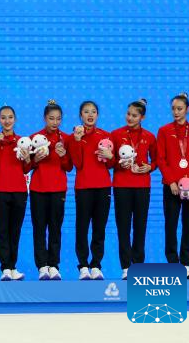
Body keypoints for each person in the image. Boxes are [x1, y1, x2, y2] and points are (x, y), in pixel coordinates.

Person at [157, 92, 189, 280]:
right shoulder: (164, 131)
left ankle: (186, 265)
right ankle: (172, 264)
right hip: (172, 187)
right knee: (170, 225)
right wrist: (170, 181)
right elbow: (161, 159)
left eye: (179, 109)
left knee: (188, 225)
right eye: (173, 109)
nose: (176, 112)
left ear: (187, 109)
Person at [67, 100, 114, 280]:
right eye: (86, 112)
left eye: (93, 111)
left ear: (97, 115)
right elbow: (77, 164)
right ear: (81, 115)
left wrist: (110, 156)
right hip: (83, 188)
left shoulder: (106, 136)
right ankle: (83, 266)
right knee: (82, 227)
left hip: (103, 188)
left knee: (99, 228)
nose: (90, 115)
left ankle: (96, 265)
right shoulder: (74, 137)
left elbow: (111, 164)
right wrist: (77, 141)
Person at [110, 98, 157, 280]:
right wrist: (118, 163)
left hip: (142, 187)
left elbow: (157, 160)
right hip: (121, 186)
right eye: (128, 114)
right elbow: (110, 162)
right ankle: (125, 267)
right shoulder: (116, 134)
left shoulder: (149, 137)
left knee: (140, 226)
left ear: (142, 117)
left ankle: (138, 265)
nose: (130, 118)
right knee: (123, 227)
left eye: (134, 115)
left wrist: (150, 167)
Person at [28, 100, 73, 281]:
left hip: (58, 189)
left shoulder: (66, 139)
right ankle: (42, 266)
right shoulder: (34, 138)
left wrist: (63, 156)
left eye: (58, 119)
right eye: (51, 118)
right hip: (38, 188)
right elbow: (27, 166)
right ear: (44, 118)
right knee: (39, 228)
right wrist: (36, 160)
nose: (55, 122)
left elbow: (69, 167)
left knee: (55, 228)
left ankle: (54, 265)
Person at [0, 105, 31, 281]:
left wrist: (27, 158)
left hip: (19, 191)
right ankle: (5, 268)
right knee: (1, 230)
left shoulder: (23, 141)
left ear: (15, 119)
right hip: (0, 190)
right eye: (3, 117)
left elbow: (26, 168)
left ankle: (13, 266)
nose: (7, 121)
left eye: (10, 117)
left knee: (15, 231)